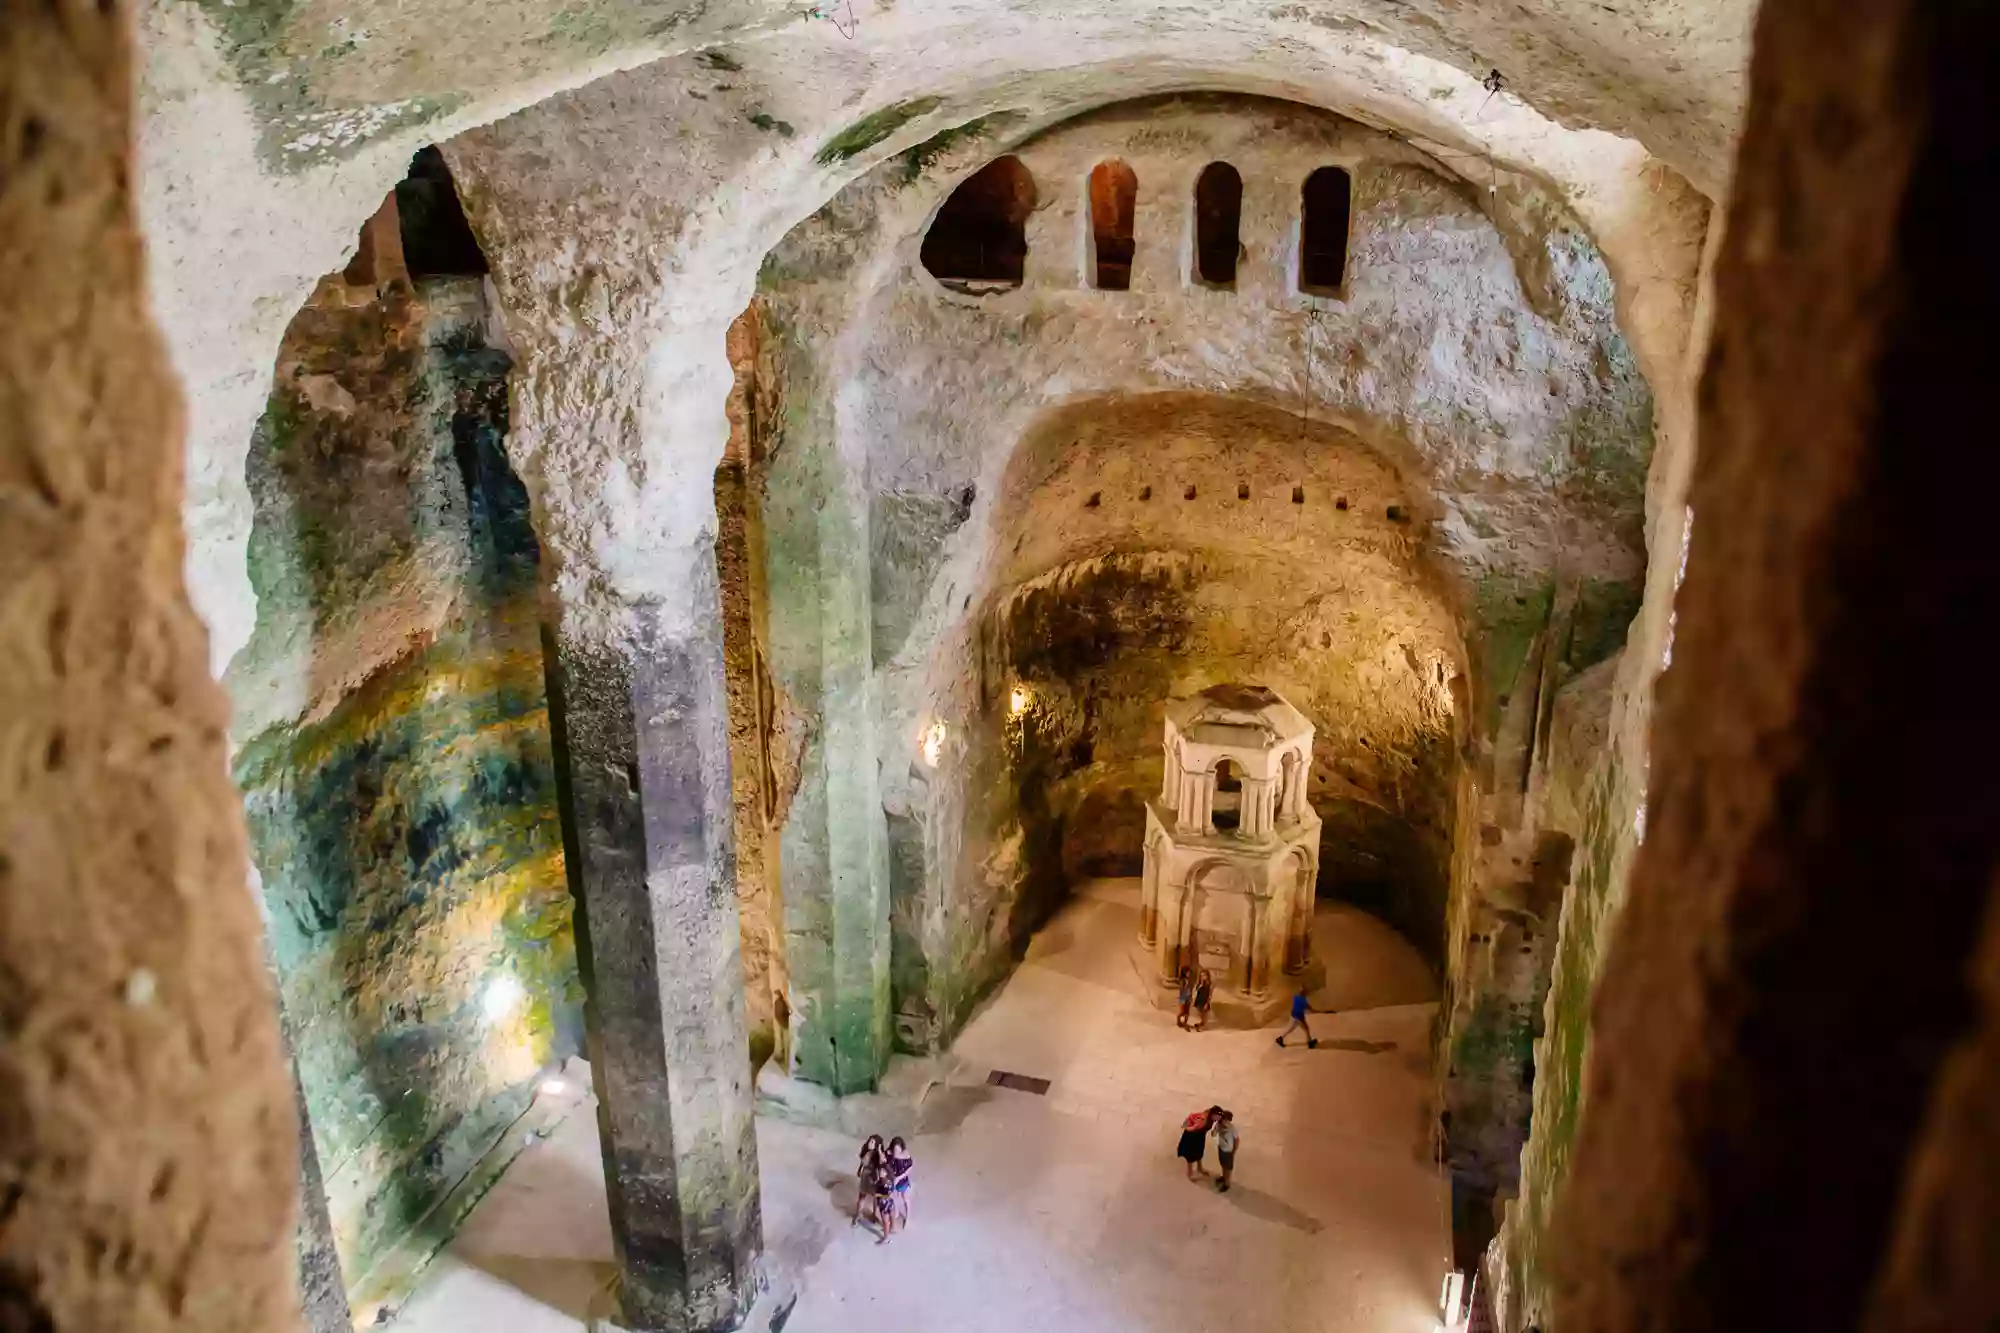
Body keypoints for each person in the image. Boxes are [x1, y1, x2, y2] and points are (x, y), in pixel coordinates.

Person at [1177, 1105, 1221, 1179]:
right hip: (1191, 1137)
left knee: (1199, 1151)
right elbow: (1189, 1128)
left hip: (1200, 1136)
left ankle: (1199, 1167)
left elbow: (1210, 1131)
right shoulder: (1202, 1121)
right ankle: (1189, 1172)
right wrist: (1189, 1127)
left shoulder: (1211, 1118)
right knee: (1190, 1155)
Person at [854, 1135, 886, 1227]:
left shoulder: (877, 1154)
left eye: (872, 1142)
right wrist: (859, 1169)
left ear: (877, 1145)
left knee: (875, 1198)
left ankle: (873, 1215)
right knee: (862, 1197)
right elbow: (863, 1162)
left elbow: (882, 1162)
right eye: (870, 1141)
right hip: (866, 1175)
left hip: (874, 1177)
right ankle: (857, 1216)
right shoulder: (867, 1152)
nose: (869, 1143)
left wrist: (879, 1151)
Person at [884, 1136, 914, 1234]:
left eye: (898, 1149)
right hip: (892, 1180)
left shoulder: (906, 1155)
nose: (896, 1152)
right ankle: (896, 1213)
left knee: (905, 1199)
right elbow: (884, 1164)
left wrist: (899, 1178)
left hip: (902, 1181)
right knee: (894, 1198)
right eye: (894, 1149)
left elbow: (909, 1169)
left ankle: (908, 1218)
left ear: (901, 1148)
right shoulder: (889, 1154)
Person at [1213, 1110, 1239, 1192]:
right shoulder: (1218, 1125)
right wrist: (1215, 1126)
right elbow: (1213, 1134)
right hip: (1221, 1148)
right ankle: (1223, 1177)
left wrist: (1234, 1151)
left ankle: (1227, 1183)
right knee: (1223, 1164)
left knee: (1228, 1167)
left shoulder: (1232, 1128)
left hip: (1228, 1151)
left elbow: (1237, 1140)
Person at [1176, 966, 1195, 1030]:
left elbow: (1191, 989)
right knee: (1182, 1011)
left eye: (1189, 973)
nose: (1189, 974)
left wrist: (1191, 996)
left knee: (1187, 1012)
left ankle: (1185, 1023)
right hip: (1183, 997)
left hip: (1188, 997)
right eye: (1188, 972)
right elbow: (1182, 988)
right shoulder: (1182, 980)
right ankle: (1178, 1020)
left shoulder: (1190, 981)